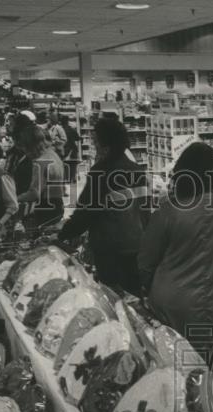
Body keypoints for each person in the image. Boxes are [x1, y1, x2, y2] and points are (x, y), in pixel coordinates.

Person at [138, 141, 213, 375]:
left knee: (181, 374)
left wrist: (146, 287)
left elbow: (146, 262)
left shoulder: (168, 210)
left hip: (176, 306)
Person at [58, 116, 146, 295]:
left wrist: (62, 235)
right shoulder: (138, 171)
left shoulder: (101, 172)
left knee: (112, 295)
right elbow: (146, 212)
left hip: (109, 250)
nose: (95, 145)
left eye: (96, 141)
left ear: (106, 144)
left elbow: (85, 213)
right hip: (136, 246)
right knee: (133, 295)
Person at [15, 125, 65, 228]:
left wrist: (14, 199)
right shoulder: (53, 154)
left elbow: (34, 193)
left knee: (37, 241)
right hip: (58, 206)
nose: (25, 152)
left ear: (31, 146)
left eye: (25, 148)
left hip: (45, 210)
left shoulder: (39, 163)